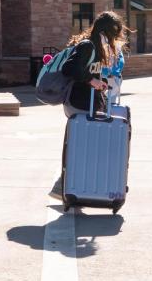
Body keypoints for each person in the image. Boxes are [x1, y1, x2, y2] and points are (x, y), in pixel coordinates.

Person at [49, 11, 129, 200]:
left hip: (89, 101)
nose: (116, 38)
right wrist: (92, 81)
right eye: (114, 32)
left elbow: (90, 72)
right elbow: (70, 68)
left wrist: (99, 82)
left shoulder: (98, 47)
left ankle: (68, 187)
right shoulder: (88, 46)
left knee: (85, 145)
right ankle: (62, 187)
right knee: (81, 145)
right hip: (79, 101)